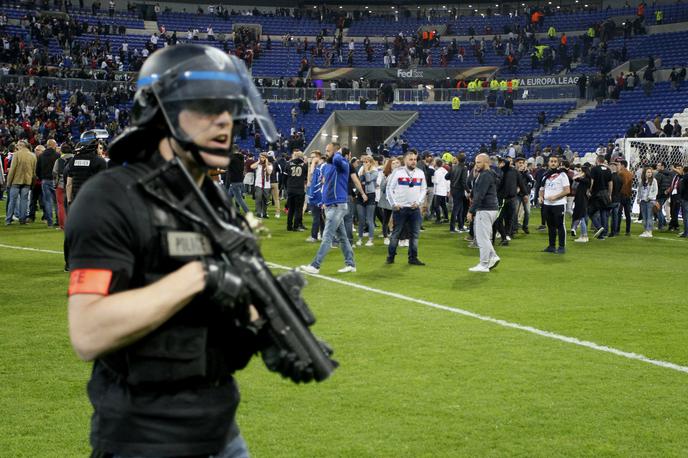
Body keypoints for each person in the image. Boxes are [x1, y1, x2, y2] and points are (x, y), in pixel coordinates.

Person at [65, 44, 291, 457]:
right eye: (206, 108)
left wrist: (266, 321)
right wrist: (199, 275)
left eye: (228, 109)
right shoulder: (108, 198)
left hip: (222, 434)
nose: (224, 122)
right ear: (161, 113)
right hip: (143, 441)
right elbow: (88, 332)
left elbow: (211, 321)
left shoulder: (214, 201)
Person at [299, 142, 356, 274]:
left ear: (336, 152)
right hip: (330, 205)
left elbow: (337, 159)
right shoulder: (328, 166)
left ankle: (315, 265)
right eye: (326, 150)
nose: (326, 153)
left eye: (328, 151)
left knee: (327, 236)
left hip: (338, 205)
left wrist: (338, 153)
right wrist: (323, 201)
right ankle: (351, 264)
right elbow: (325, 185)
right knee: (342, 237)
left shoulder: (342, 164)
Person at [385, 150, 427, 266]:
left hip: (414, 209)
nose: (413, 162)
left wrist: (419, 202)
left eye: (415, 159)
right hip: (400, 209)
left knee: (415, 235)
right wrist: (393, 204)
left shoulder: (420, 173)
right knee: (396, 234)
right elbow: (389, 188)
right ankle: (391, 256)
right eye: (411, 159)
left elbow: (424, 189)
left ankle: (413, 258)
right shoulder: (398, 172)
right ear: (405, 160)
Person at [466, 153, 500, 272]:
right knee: (485, 237)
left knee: (482, 238)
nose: (476, 165)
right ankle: (493, 257)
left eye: (479, 162)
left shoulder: (485, 175)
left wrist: (471, 211)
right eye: (476, 162)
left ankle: (484, 264)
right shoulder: (487, 174)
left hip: (485, 209)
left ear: (486, 163)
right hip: (490, 209)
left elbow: (480, 195)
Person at [66, 130, 108, 206]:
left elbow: (69, 184)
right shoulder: (100, 161)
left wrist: (69, 200)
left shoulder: (73, 160)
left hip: (77, 200)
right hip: (94, 201)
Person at [539, 156, 570, 253]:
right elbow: (541, 189)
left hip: (559, 204)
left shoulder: (562, 175)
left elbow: (567, 190)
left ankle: (561, 247)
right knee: (550, 226)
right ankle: (551, 246)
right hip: (547, 204)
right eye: (551, 161)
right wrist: (540, 197)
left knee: (560, 225)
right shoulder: (545, 175)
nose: (553, 163)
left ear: (558, 163)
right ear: (548, 163)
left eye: (555, 161)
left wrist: (555, 197)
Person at [4, 140, 36, 225]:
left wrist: (8, 182)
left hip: (16, 180)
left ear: (20, 146)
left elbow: (13, 169)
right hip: (27, 181)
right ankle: (22, 220)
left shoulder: (16, 155)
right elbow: (34, 171)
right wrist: (32, 182)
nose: (16, 147)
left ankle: (8, 219)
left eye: (17, 145)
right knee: (24, 201)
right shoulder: (33, 155)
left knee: (12, 201)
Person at [36, 139, 60, 227]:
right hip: (55, 180)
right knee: (57, 202)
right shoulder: (57, 155)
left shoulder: (41, 156)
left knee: (47, 201)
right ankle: (58, 220)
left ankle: (50, 222)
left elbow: (37, 170)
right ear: (53, 145)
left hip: (45, 180)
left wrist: (41, 177)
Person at [356, 154, 378, 246]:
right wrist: (363, 171)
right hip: (361, 195)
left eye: (367, 162)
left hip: (370, 195)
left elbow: (368, 180)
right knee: (361, 219)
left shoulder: (374, 171)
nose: (365, 164)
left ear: (371, 163)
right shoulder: (361, 171)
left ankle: (370, 239)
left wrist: (366, 170)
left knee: (369, 219)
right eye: (364, 162)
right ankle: (360, 238)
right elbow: (358, 181)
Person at [589, 155, 613, 240]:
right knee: (604, 213)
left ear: (597, 160)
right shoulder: (608, 170)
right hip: (605, 194)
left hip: (596, 194)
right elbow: (610, 184)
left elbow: (592, 181)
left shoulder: (594, 169)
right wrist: (609, 194)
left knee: (591, 212)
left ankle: (599, 227)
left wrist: (589, 190)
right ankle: (604, 233)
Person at [285, 150, 307, 231]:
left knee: (291, 208)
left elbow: (285, 177)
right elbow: (306, 177)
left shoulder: (288, 164)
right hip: (300, 189)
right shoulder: (304, 165)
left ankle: (289, 226)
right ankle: (296, 226)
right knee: (298, 209)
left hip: (290, 189)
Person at [305, 150, 324, 243]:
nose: (311, 159)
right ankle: (323, 234)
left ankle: (314, 236)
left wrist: (312, 165)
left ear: (318, 157)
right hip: (315, 194)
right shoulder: (317, 167)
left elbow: (311, 178)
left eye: (313, 157)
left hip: (318, 195)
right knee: (320, 217)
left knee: (316, 216)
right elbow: (309, 181)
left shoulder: (320, 168)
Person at [225, 145, 250, 214]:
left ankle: (248, 212)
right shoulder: (241, 158)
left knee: (239, 199)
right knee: (228, 197)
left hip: (234, 182)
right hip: (240, 181)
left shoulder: (231, 158)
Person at [571, 164, 591, 242]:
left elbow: (575, 178)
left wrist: (580, 174)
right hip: (581, 199)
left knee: (581, 217)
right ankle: (577, 231)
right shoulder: (586, 179)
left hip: (581, 200)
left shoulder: (586, 180)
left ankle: (584, 235)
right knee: (580, 216)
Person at [637, 167, 658, 237]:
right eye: (648, 172)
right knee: (644, 216)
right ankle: (645, 230)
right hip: (643, 200)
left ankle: (649, 231)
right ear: (645, 173)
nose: (649, 173)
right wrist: (638, 198)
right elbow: (639, 190)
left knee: (649, 216)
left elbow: (655, 191)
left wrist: (650, 197)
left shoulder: (654, 181)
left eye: (650, 172)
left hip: (650, 201)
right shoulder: (642, 181)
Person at [251, 152, 272, 218]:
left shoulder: (270, 165)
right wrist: (258, 161)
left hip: (266, 185)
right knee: (258, 198)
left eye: (263, 157)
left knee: (265, 200)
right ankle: (258, 213)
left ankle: (265, 213)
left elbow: (269, 172)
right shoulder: (258, 164)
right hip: (258, 184)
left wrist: (266, 164)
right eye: (260, 157)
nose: (261, 158)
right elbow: (252, 166)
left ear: (266, 158)